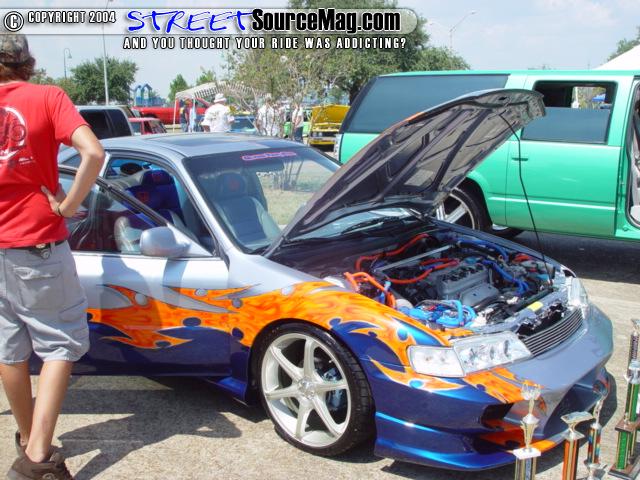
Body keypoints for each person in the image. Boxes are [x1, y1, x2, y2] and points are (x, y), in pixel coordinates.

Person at [0, 35, 105, 479]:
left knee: (9, 348)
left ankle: (29, 440)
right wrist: (66, 205)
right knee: (60, 344)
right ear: (26, 61)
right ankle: (38, 458)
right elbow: (94, 152)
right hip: (36, 245)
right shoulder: (46, 97)